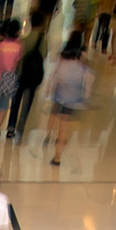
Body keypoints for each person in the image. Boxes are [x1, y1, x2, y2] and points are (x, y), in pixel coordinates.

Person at [45, 33, 92, 168]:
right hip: (73, 95)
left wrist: (49, 86)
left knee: (53, 112)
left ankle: (48, 134)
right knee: (64, 127)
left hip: (59, 91)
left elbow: (55, 71)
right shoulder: (82, 56)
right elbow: (86, 75)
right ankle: (57, 157)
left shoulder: (63, 54)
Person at [8, 15, 48, 142]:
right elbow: (45, 56)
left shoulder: (23, 40)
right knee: (28, 102)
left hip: (21, 74)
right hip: (34, 76)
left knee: (16, 101)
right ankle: (21, 125)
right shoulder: (43, 41)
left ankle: (11, 126)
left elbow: (18, 58)